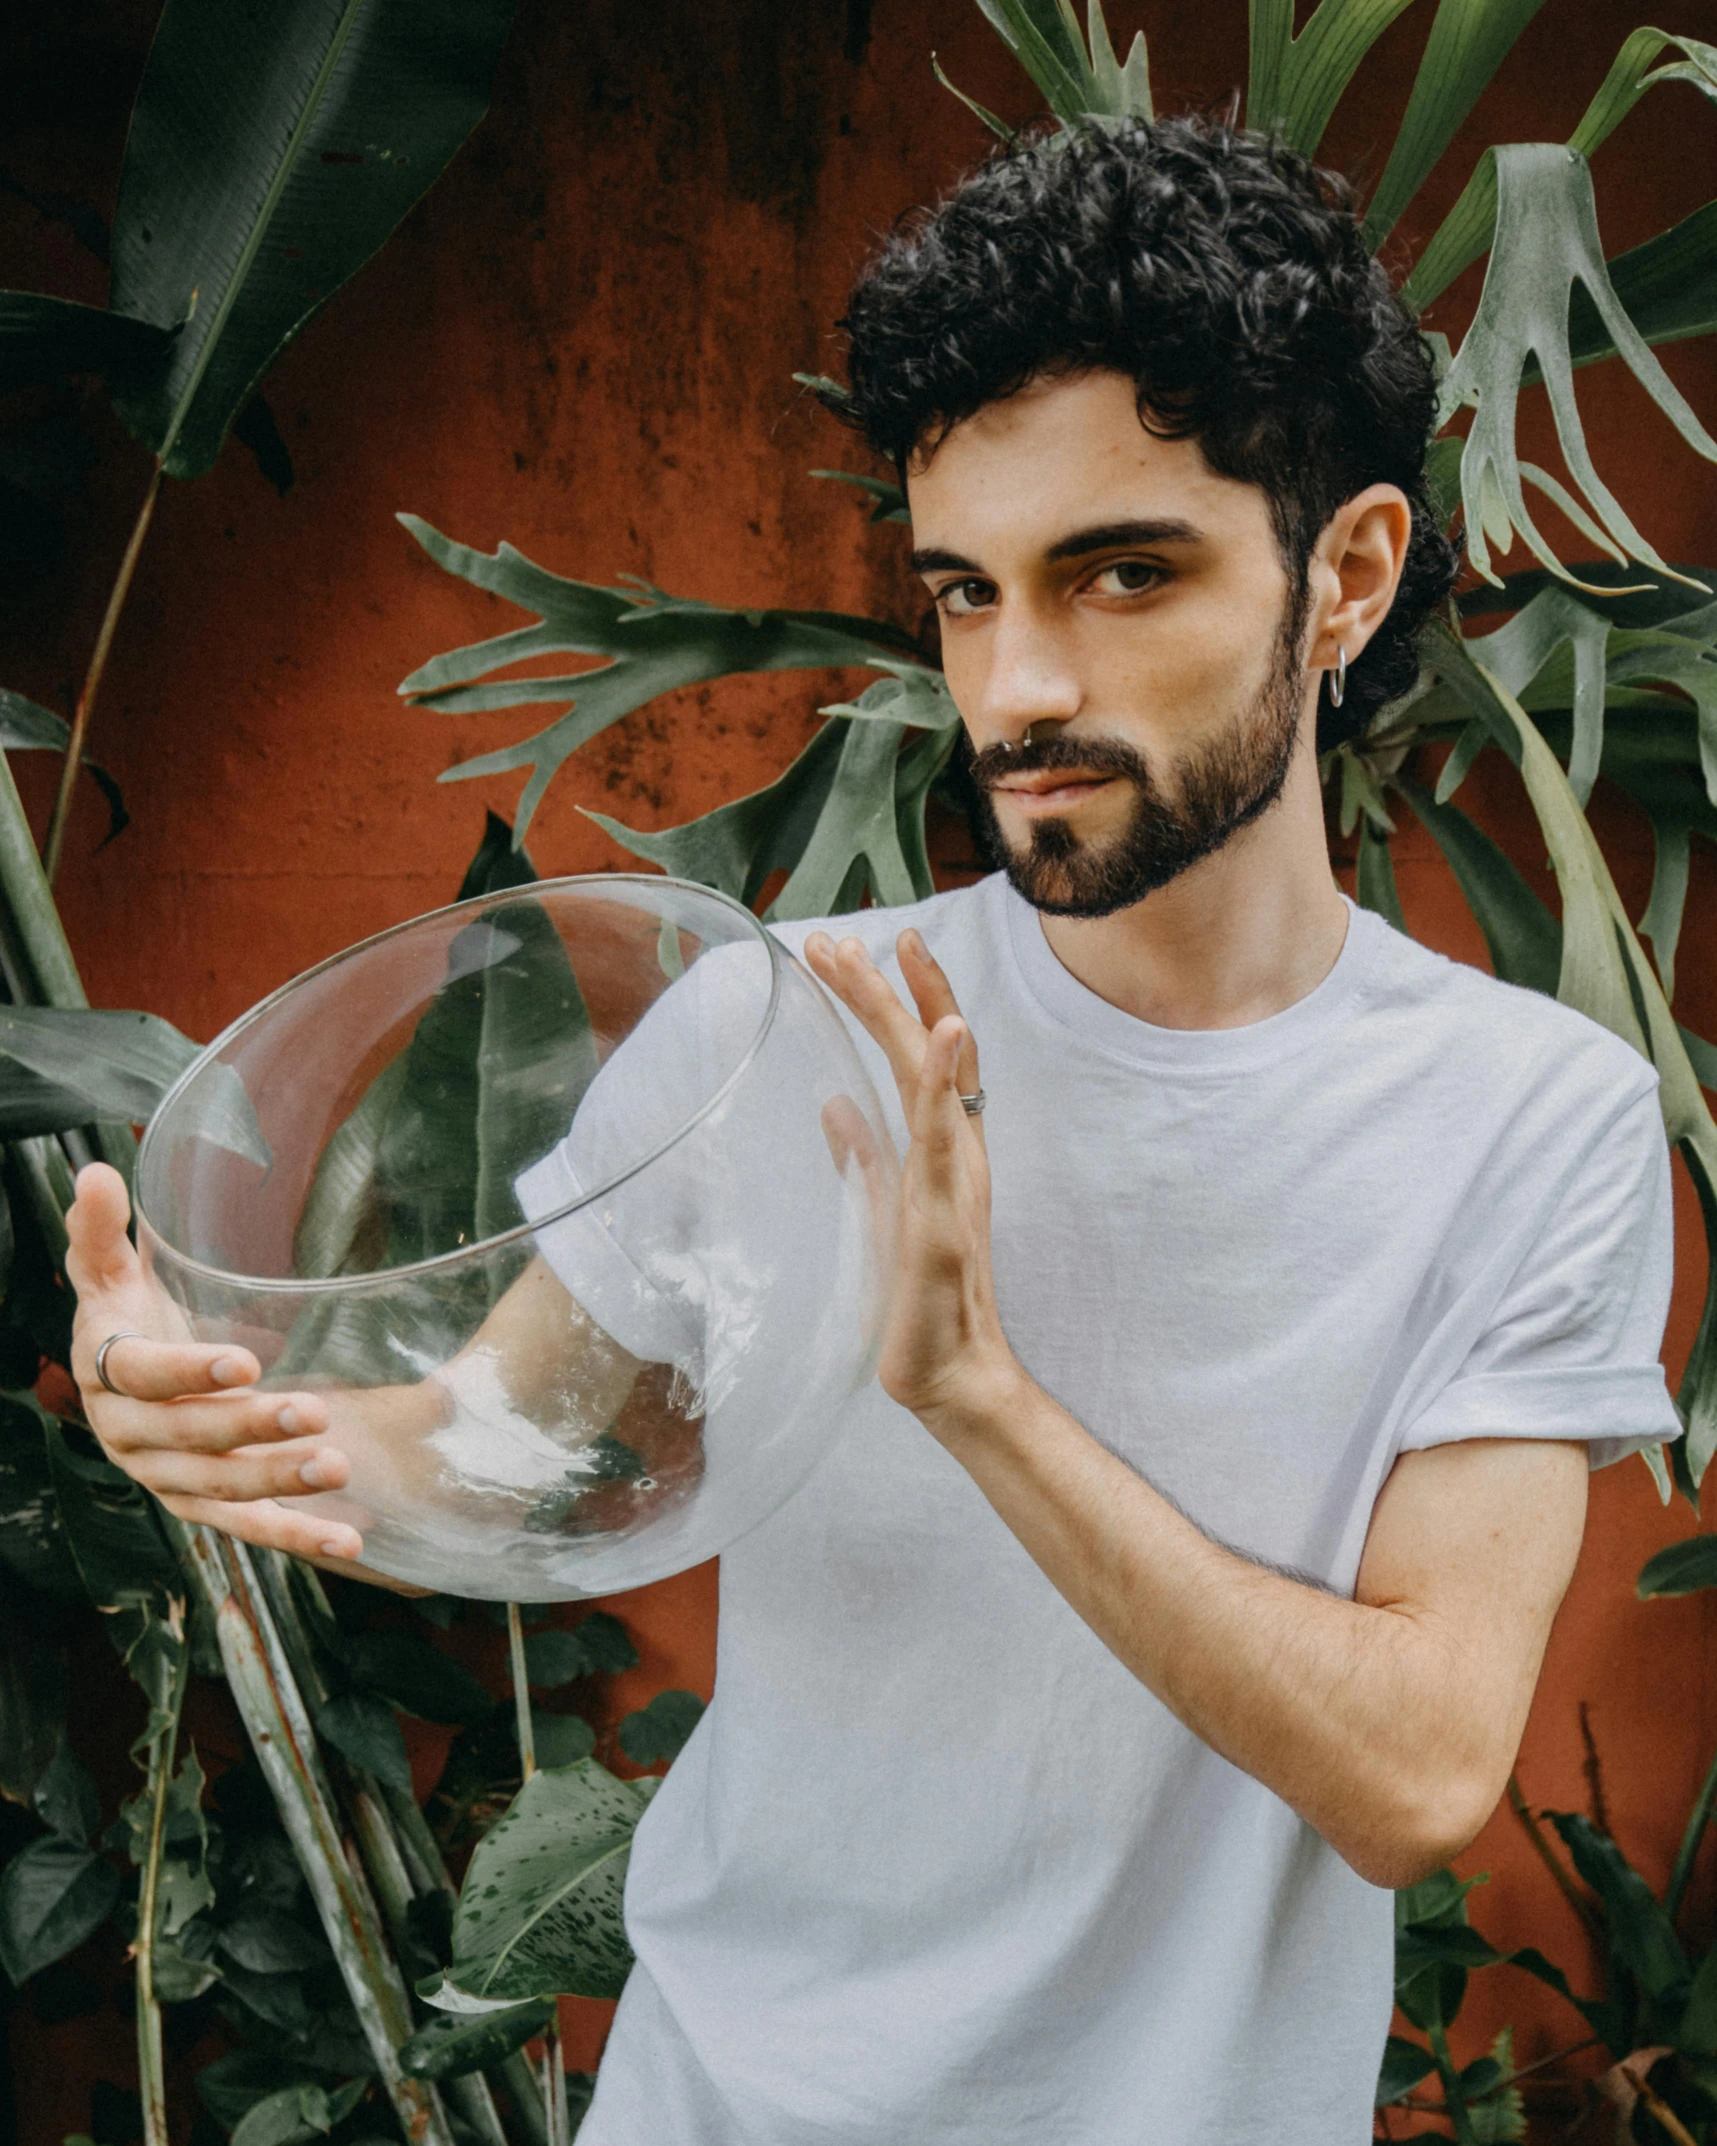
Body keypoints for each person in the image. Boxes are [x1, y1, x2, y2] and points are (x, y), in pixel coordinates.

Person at [64, 116, 1682, 2144]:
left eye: (1119, 574)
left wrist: (976, 1392)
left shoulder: (1533, 1121)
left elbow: (1420, 1774)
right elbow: (530, 1435)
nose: (1014, 686)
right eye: (963, 590)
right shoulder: (786, 1016)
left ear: (1344, 572)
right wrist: (224, 1416)